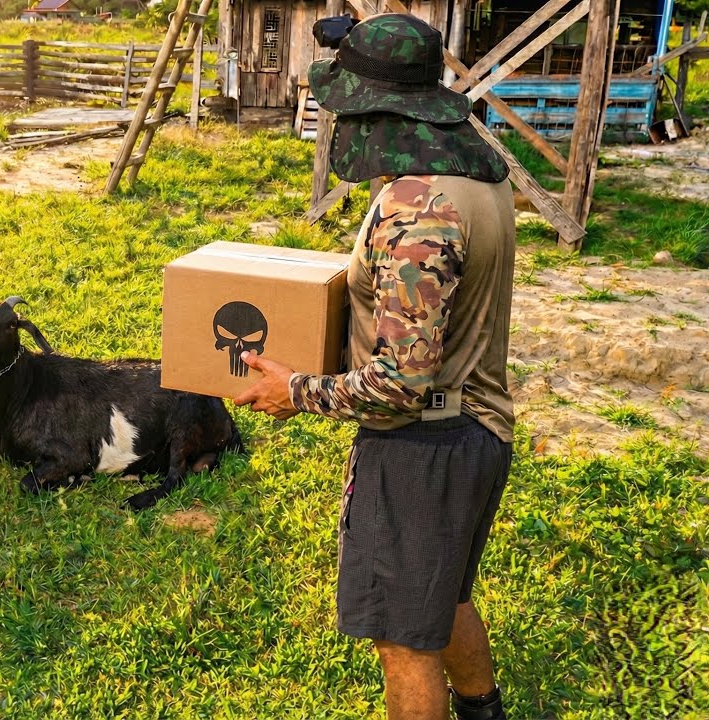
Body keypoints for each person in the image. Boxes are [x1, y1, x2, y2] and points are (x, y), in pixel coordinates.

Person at [234, 14, 515, 720]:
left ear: (376, 109)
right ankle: (484, 709)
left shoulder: (418, 207)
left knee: (401, 639)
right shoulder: (477, 174)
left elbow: (398, 386)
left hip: (423, 450)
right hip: (478, 429)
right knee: (442, 597)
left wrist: (294, 390)